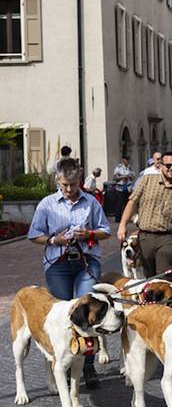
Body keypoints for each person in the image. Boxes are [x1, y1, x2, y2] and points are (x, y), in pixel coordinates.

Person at [27, 157, 111, 387]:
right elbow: (34, 234)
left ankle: (88, 365)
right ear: (57, 179)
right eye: (64, 185)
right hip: (57, 264)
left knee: (88, 307)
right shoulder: (47, 204)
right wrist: (54, 239)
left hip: (86, 261)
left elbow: (106, 230)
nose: (68, 190)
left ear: (79, 181)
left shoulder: (91, 202)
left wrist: (89, 234)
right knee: (62, 314)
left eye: (72, 185)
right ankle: (63, 362)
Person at [117, 152, 172, 278]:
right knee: (148, 278)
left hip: (168, 238)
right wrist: (122, 225)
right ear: (160, 166)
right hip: (145, 236)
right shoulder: (147, 180)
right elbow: (132, 202)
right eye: (168, 165)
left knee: (164, 278)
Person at [112, 157, 135, 222]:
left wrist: (130, 176)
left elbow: (133, 176)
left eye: (128, 160)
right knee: (119, 204)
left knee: (127, 204)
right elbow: (115, 177)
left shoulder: (130, 167)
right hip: (120, 188)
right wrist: (123, 176)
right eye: (126, 159)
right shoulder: (119, 167)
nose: (127, 161)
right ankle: (118, 218)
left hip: (128, 188)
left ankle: (126, 218)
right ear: (123, 160)